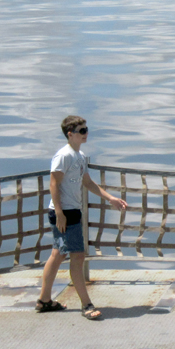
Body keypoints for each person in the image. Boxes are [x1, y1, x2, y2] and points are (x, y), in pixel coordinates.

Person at [36, 115, 128, 319]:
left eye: (86, 129)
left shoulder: (79, 155)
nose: (86, 134)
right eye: (82, 131)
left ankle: (44, 300)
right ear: (70, 134)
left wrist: (110, 198)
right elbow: (53, 183)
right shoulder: (64, 155)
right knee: (77, 256)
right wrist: (59, 213)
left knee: (58, 254)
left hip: (72, 211)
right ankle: (86, 304)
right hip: (64, 213)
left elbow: (87, 182)